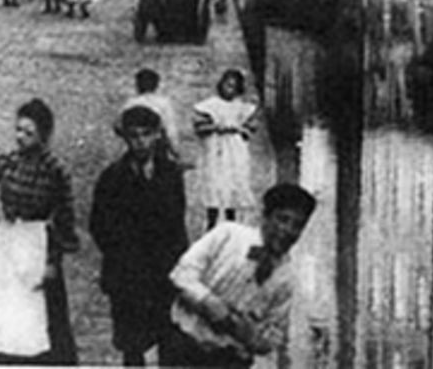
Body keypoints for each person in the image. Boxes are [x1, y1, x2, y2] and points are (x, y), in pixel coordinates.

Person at [163, 182, 316, 367]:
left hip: (230, 360)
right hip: (185, 347)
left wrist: (248, 333)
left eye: (297, 225)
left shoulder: (286, 278)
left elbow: (273, 337)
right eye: (282, 219)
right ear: (265, 216)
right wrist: (210, 303)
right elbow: (181, 275)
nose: (287, 231)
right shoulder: (228, 235)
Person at [0, 99, 79, 365]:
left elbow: (64, 216)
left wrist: (53, 260)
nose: (21, 137)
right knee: (0, 306)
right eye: (18, 130)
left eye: (28, 132)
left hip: (36, 241)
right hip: (7, 238)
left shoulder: (55, 169)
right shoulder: (8, 161)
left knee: (37, 312)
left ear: (43, 135)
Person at [90, 106, 189, 368]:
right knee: (131, 345)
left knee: (169, 340)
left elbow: (177, 222)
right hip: (127, 275)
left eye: (146, 134)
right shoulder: (112, 178)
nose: (140, 142)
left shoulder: (170, 174)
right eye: (133, 135)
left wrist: (181, 266)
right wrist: (123, 255)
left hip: (163, 272)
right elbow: (99, 226)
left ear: (157, 135)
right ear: (125, 137)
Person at [191, 69, 256, 229]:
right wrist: (216, 127)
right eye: (227, 85)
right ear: (221, 85)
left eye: (234, 86)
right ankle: (211, 222)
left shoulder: (242, 107)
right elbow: (199, 128)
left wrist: (240, 129)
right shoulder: (210, 105)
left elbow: (251, 128)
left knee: (232, 183)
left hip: (235, 151)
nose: (230, 89)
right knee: (214, 183)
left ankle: (230, 222)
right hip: (215, 149)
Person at [125, 68, 184, 163]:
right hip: (157, 147)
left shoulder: (130, 103)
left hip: (135, 147)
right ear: (156, 85)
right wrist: (175, 151)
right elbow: (170, 130)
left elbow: (117, 126)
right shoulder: (163, 103)